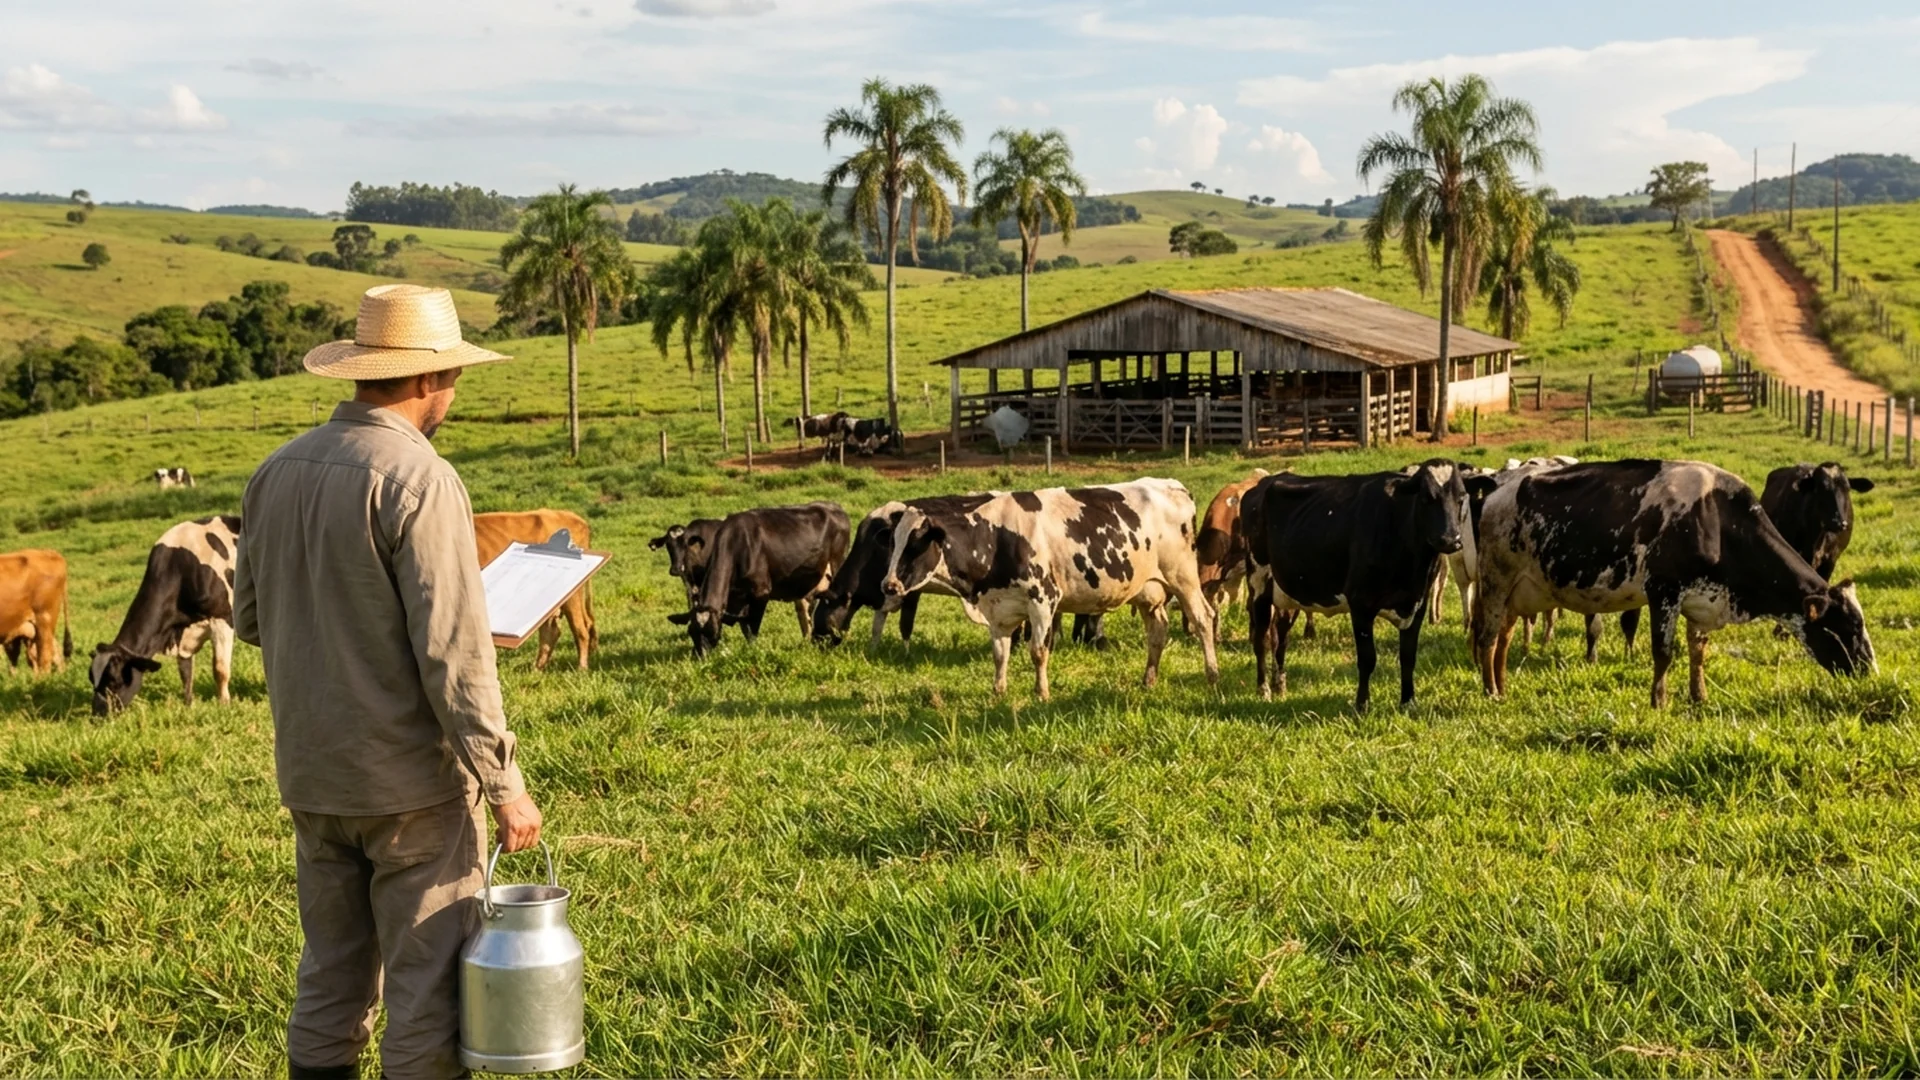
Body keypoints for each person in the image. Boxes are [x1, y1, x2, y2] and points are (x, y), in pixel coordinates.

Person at [234, 284, 543, 1079]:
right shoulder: (421, 480)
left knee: (330, 979)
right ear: (425, 380)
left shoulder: (274, 473)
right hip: (411, 791)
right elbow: (452, 657)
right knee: (427, 992)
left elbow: (251, 623)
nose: (453, 393)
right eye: (452, 377)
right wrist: (505, 785)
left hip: (314, 778)